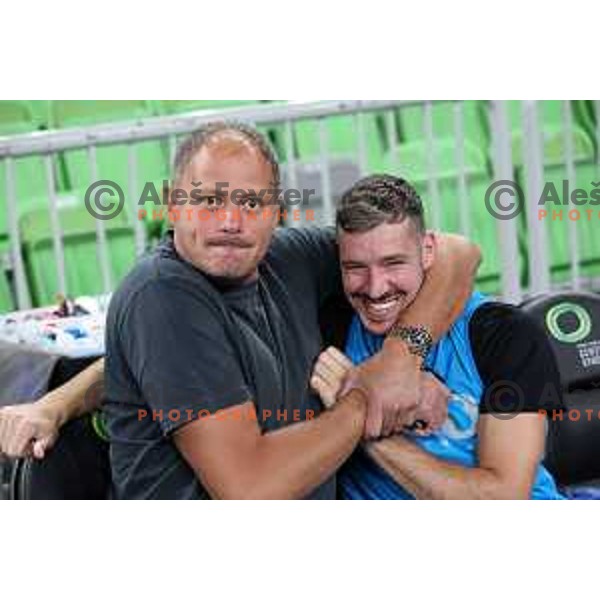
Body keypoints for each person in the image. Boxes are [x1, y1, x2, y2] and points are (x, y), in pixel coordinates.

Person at [0, 123, 478, 498]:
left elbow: (456, 251)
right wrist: (369, 396)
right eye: (208, 200)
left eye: (251, 202)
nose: (230, 221)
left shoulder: (287, 259)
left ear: (277, 211)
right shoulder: (163, 294)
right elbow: (251, 489)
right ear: (173, 205)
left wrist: (400, 358)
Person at [309, 174, 565, 499]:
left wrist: (363, 417)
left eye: (393, 263)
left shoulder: (503, 334)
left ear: (428, 250)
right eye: (355, 268)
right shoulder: (327, 329)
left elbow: (503, 498)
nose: (375, 287)